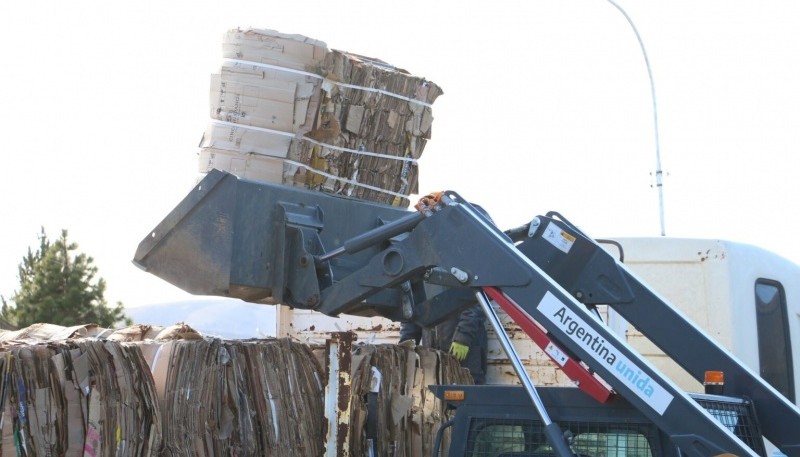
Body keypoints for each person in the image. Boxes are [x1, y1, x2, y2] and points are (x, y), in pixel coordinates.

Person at [399, 305, 488, 384]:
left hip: (466, 352)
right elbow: (411, 316)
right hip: (433, 356)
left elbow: (475, 304)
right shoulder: (420, 287)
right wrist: (406, 347)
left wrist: (463, 337)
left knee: (469, 395)